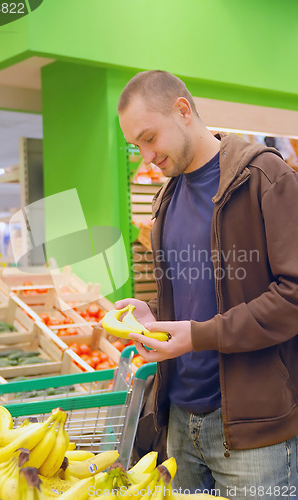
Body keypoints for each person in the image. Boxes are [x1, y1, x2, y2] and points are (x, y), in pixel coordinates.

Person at [115, 70, 298, 500]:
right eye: (136, 146)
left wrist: (198, 336)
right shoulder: (167, 199)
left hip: (254, 431)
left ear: (182, 110)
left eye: (149, 138)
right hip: (179, 422)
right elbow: (197, 296)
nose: (146, 157)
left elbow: (293, 294)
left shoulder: (263, 177)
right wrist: (154, 318)